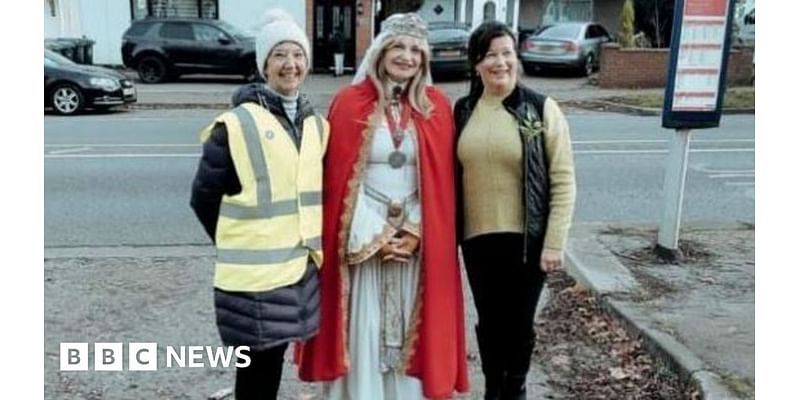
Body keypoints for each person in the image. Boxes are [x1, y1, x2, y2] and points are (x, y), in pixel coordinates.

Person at [296, 12, 470, 400]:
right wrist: (375, 236)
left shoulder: (437, 107)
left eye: (415, 51)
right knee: (364, 328)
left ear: (424, 60)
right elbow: (335, 184)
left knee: (412, 327)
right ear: (380, 51)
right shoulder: (347, 103)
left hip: (415, 243)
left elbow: (444, 188)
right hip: (362, 242)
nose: (406, 57)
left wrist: (414, 233)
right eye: (398, 47)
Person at [189, 9, 329, 400]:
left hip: (293, 271)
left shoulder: (314, 125)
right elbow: (203, 196)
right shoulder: (236, 124)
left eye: (298, 55)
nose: (291, 64)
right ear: (264, 64)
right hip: (252, 279)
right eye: (280, 55)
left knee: (270, 366)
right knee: (255, 373)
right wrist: (237, 241)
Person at [453, 21, 576, 400]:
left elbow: (564, 179)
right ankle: (494, 389)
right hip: (478, 240)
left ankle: (515, 390)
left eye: (507, 53)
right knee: (489, 325)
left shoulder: (540, 109)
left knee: (518, 327)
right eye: (490, 54)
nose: (500, 62)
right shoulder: (463, 109)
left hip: (528, 241)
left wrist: (554, 243)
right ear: (476, 63)